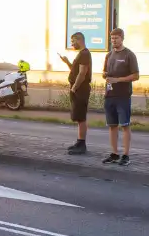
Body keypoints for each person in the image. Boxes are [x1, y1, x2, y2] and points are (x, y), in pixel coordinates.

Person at [101, 28, 139, 165]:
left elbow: (136, 75)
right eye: (112, 38)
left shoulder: (129, 55)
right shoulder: (109, 55)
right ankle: (114, 153)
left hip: (123, 96)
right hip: (109, 95)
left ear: (122, 38)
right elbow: (104, 72)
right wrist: (105, 75)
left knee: (125, 125)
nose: (114, 41)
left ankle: (126, 155)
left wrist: (118, 80)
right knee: (112, 125)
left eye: (116, 38)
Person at [57, 32, 92, 155]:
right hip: (78, 88)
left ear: (79, 40)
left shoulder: (84, 54)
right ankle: (79, 141)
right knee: (78, 116)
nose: (72, 44)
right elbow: (76, 71)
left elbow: (82, 73)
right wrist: (67, 62)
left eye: (73, 41)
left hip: (80, 89)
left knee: (81, 117)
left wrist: (74, 87)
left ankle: (82, 145)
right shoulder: (81, 54)